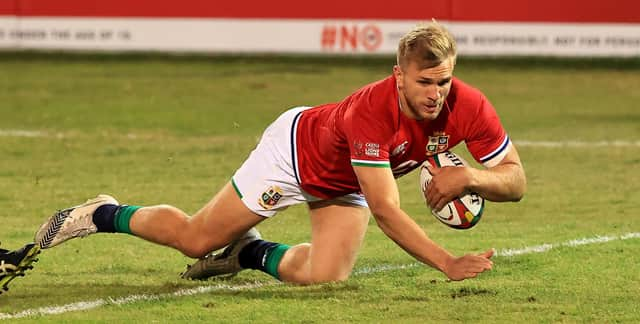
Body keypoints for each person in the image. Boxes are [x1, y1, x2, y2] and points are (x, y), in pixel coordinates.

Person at [35, 20, 526, 285]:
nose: (436, 93)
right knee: (192, 240)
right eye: (424, 82)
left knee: (324, 277)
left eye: (444, 81)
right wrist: (446, 263)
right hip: (293, 155)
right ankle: (104, 213)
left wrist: (472, 179)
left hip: (346, 180)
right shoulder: (372, 113)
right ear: (398, 74)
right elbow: (386, 211)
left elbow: (516, 180)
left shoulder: (469, 105)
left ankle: (248, 251)